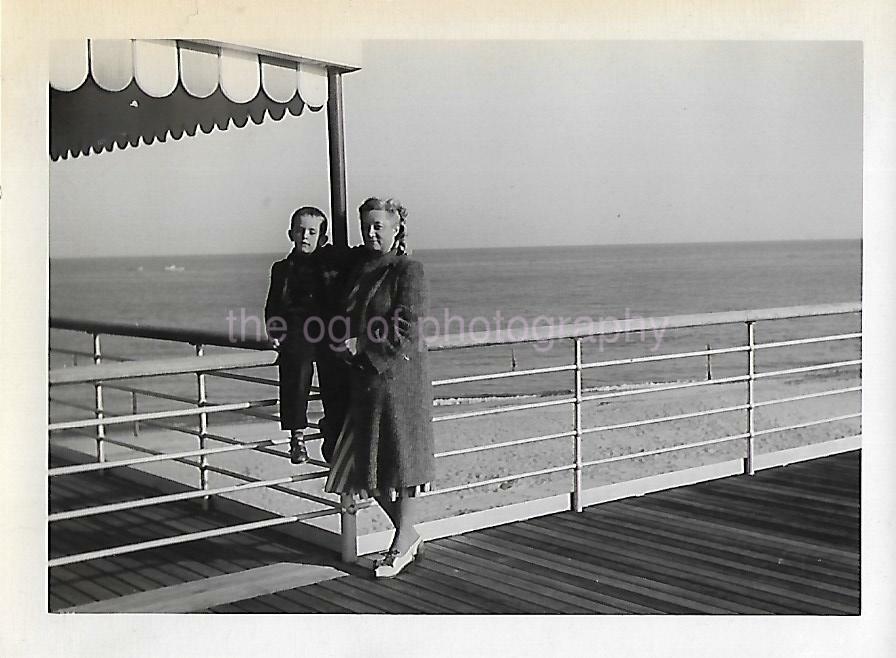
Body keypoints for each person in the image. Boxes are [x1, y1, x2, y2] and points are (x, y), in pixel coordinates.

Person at [325, 197, 436, 578]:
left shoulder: (408, 270)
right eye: (366, 226)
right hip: (364, 379)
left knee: (401, 462)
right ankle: (409, 534)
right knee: (362, 466)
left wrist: (362, 346)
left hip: (399, 379)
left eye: (378, 226)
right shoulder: (361, 269)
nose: (371, 233)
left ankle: (401, 543)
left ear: (396, 229)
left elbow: (405, 325)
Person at [264, 206, 356, 465]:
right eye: (300, 230)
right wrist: (274, 331)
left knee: (337, 368)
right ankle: (297, 434)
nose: (305, 236)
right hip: (296, 330)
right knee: (297, 364)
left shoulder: (332, 265)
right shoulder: (282, 269)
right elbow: (273, 307)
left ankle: (333, 431)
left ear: (322, 238)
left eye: (312, 232)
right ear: (290, 233)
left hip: (327, 330)